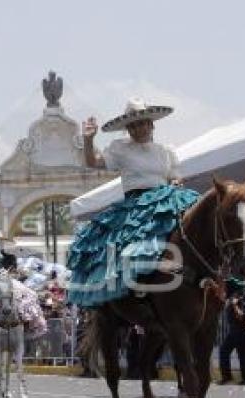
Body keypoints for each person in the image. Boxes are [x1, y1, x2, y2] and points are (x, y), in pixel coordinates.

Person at [67, 98, 199, 307]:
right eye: (134, 125)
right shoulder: (120, 148)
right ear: (128, 129)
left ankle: (210, 276)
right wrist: (89, 140)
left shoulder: (165, 151)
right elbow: (93, 163)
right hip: (135, 204)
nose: (139, 128)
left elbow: (175, 175)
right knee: (127, 241)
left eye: (143, 123)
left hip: (165, 199)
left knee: (199, 221)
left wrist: (175, 182)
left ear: (151, 124)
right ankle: (137, 285)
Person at [218, 278, 245, 384]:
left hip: (241, 331)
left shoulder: (241, 300)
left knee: (242, 355)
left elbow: (241, 317)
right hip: (233, 332)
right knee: (224, 351)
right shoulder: (232, 298)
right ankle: (227, 377)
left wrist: (235, 305)